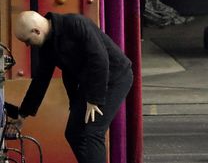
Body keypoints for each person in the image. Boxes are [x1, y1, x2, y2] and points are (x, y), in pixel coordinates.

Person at [11, 10, 133, 163]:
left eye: (27, 40)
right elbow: (40, 80)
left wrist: (94, 100)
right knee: (74, 132)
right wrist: (24, 113)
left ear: (36, 31)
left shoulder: (76, 24)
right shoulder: (47, 46)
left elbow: (100, 59)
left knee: (93, 132)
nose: (28, 45)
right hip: (91, 82)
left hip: (115, 77)